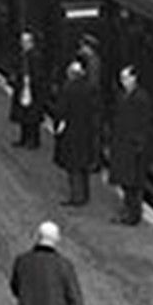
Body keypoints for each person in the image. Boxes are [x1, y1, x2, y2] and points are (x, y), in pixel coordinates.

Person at [107, 63, 153, 225]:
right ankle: (127, 210)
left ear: (134, 78)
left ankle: (133, 214)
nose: (122, 81)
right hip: (122, 144)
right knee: (126, 182)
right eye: (122, 78)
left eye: (125, 78)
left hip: (132, 147)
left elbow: (143, 123)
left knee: (133, 183)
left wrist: (138, 144)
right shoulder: (122, 96)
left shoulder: (141, 98)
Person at [53, 58, 101, 207]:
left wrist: (59, 125)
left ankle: (76, 197)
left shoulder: (68, 88)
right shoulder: (90, 88)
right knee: (84, 166)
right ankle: (85, 195)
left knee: (73, 166)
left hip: (72, 133)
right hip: (86, 133)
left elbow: (61, 109)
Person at [9, 29, 47, 148]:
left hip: (32, 88)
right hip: (23, 86)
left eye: (25, 41)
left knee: (32, 116)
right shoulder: (23, 54)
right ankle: (24, 138)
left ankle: (34, 140)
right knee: (24, 114)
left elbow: (38, 74)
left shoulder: (35, 56)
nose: (23, 44)